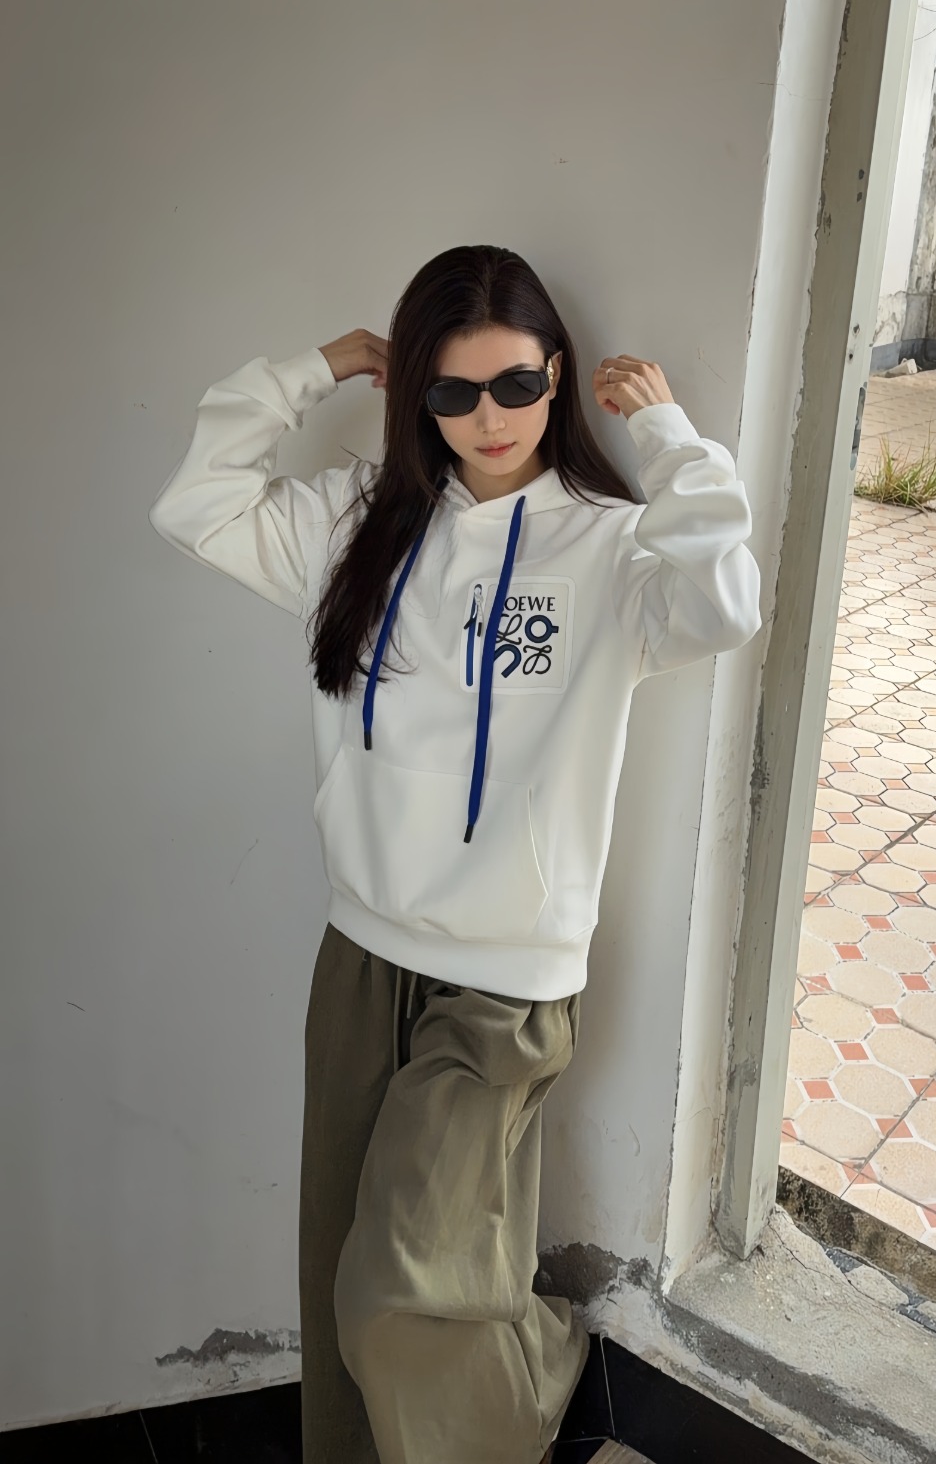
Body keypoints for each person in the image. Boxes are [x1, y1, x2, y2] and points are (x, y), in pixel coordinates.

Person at [148, 244, 761, 1464]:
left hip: (506, 983)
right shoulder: (357, 525)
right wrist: (312, 368)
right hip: (361, 951)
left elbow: (725, 601)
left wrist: (673, 441)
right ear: (416, 398)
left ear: (558, 377)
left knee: (400, 1285)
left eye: (518, 384)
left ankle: (538, 1366)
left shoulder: (609, 546)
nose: (491, 417)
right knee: (340, 1281)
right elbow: (195, 505)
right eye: (453, 391)